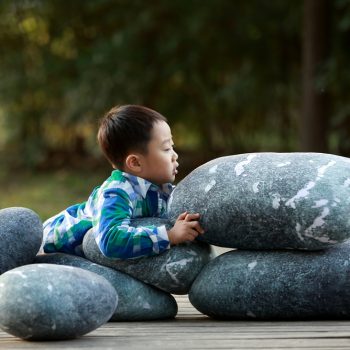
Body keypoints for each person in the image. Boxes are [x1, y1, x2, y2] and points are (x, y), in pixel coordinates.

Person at [42, 105, 204, 259]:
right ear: (135, 163)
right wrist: (169, 236)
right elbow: (111, 241)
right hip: (53, 244)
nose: (175, 155)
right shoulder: (117, 191)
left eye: (172, 146)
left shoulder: (162, 188)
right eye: (167, 148)